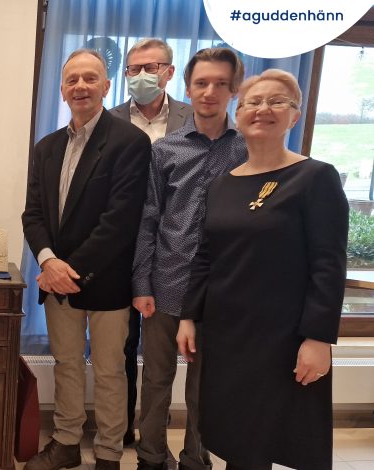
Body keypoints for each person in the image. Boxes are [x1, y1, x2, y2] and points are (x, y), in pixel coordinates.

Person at [177, 69, 347, 470]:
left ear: (295, 115)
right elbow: (205, 256)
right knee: (235, 439)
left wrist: (319, 338)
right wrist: (188, 316)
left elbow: (328, 264)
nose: (262, 110)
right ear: (239, 113)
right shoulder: (222, 184)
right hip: (226, 335)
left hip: (282, 338)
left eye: (277, 102)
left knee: (268, 436)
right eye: (252, 102)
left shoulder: (315, 178)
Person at [22, 48, 152, 470]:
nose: (80, 86)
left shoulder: (130, 142)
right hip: (56, 278)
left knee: (112, 370)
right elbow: (34, 214)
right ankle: (64, 442)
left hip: (107, 280)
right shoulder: (46, 148)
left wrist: (65, 270)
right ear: (62, 90)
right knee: (66, 364)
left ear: (106, 86)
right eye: (72, 79)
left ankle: (110, 453)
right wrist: (46, 261)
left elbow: (120, 220)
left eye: (90, 78)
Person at [130, 47, 246, 470]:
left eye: (220, 83)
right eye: (202, 83)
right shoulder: (166, 150)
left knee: (205, 387)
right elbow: (148, 220)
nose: (210, 91)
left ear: (234, 89)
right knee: (156, 382)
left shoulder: (248, 152)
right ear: (187, 86)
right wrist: (141, 285)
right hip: (165, 285)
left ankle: (196, 459)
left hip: (221, 293)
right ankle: (150, 458)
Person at [109, 37, 192, 449]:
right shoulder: (107, 120)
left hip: (175, 251)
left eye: (151, 67)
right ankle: (122, 428)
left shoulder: (194, 118)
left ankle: (156, 436)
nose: (142, 76)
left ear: (170, 72)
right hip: (121, 248)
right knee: (122, 346)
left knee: (168, 352)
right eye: (133, 69)